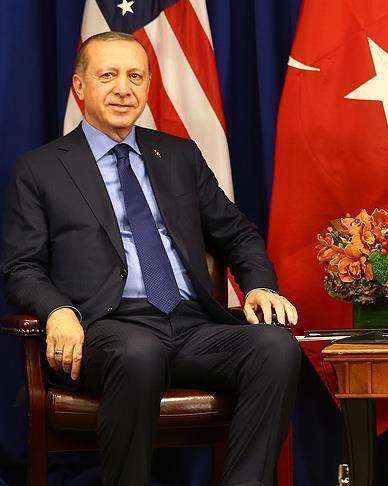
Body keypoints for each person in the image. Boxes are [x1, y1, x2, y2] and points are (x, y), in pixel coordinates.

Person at [1, 32, 301, 486]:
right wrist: (58, 310)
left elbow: (237, 232)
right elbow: (21, 266)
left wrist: (260, 285)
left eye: (135, 77)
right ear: (80, 86)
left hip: (191, 325)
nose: (123, 89)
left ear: (147, 86)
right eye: (108, 75)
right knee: (139, 353)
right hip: (107, 327)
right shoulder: (40, 169)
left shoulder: (179, 156)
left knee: (276, 348)